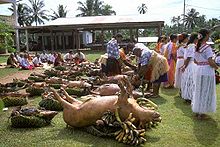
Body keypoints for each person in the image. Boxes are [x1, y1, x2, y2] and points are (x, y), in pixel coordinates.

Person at [192, 29, 218, 120]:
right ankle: (202, 113)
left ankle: (198, 111)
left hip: (198, 69)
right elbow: (210, 61)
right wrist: (216, 67)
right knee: (206, 90)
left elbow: (195, 60)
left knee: (199, 90)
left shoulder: (196, 47)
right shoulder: (207, 48)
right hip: (207, 70)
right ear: (206, 36)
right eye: (208, 35)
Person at [181, 33, 198, 102]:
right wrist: (185, 66)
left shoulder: (189, 45)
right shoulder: (192, 46)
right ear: (195, 39)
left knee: (188, 81)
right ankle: (189, 96)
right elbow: (189, 57)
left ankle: (188, 96)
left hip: (190, 64)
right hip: (191, 65)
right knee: (191, 81)